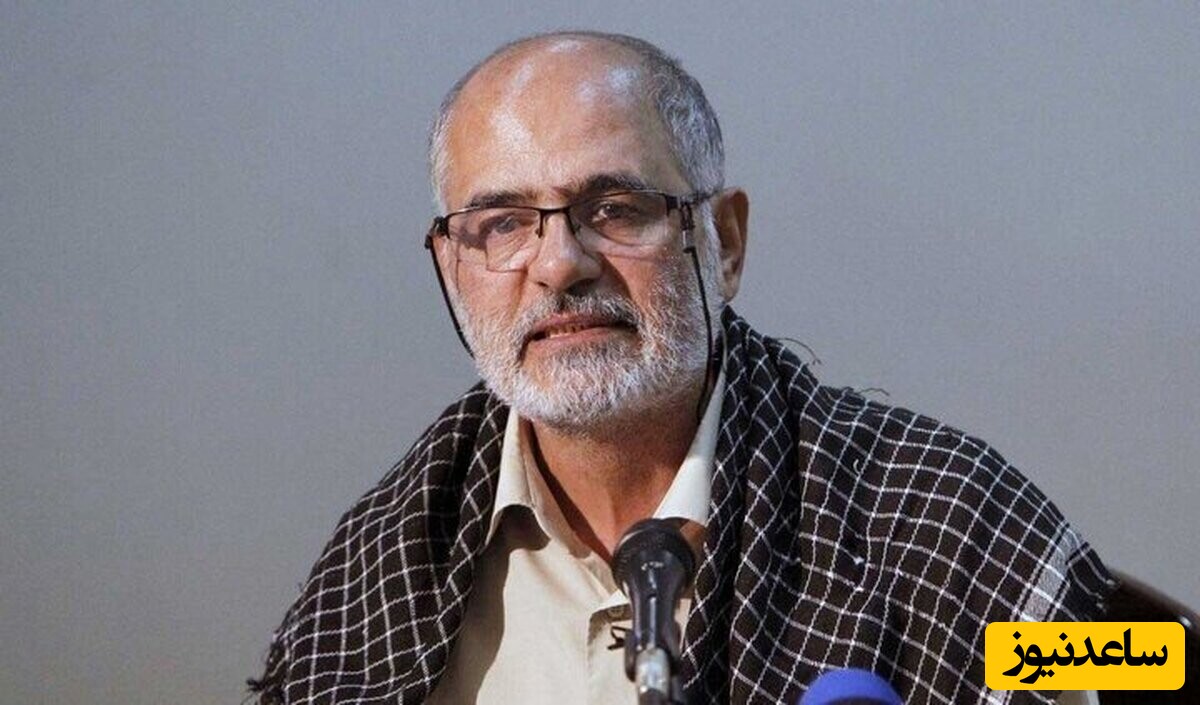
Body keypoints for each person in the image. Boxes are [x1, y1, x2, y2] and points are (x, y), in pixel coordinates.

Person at [250, 31, 1113, 705]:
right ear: (450, 267)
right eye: (503, 224)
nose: (559, 264)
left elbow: (1149, 663)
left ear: (724, 242)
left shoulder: (940, 514)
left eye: (615, 208)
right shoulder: (379, 567)